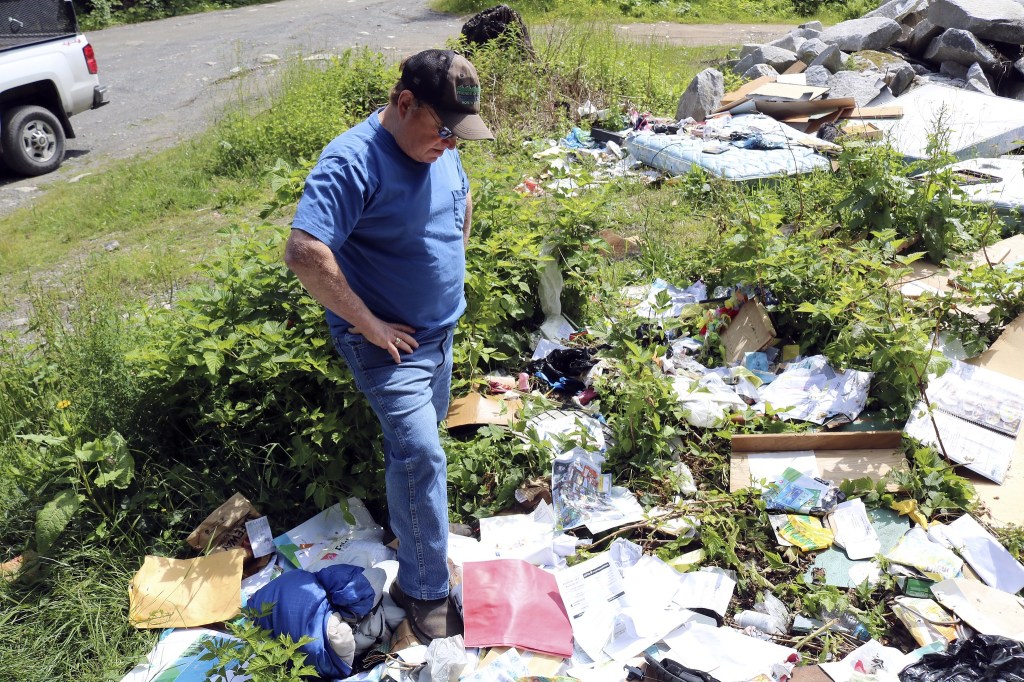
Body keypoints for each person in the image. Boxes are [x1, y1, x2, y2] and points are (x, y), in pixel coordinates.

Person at [283, 49, 493, 644]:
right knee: (423, 456)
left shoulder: (439, 148)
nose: (451, 145)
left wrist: (449, 270)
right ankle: (424, 595)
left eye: (461, 135)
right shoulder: (353, 160)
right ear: (404, 104)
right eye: (443, 130)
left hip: (439, 332)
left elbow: (460, 199)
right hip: (390, 348)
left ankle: (414, 542)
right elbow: (304, 252)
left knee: (412, 455)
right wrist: (371, 324)